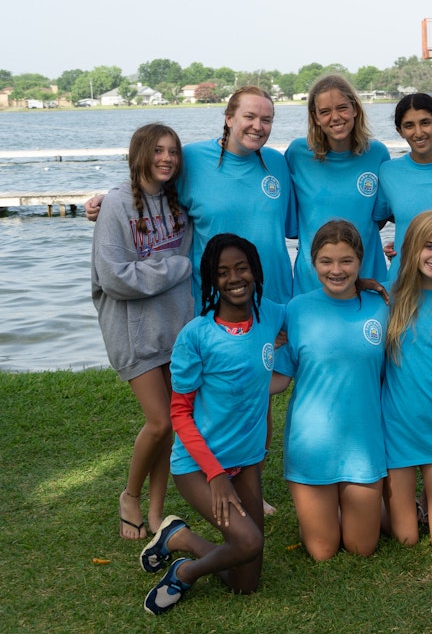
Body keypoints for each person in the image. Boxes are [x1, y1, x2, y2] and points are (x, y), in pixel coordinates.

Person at [140, 234, 284, 615]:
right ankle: (185, 573)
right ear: (211, 280)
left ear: (254, 270)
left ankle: (179, 539)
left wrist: (364, 284)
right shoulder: (196, 336)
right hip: (199, 467)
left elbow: (318, 306)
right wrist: (216, 475)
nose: (234, 278)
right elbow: (180, 413)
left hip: (246, 461)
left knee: (246, 582)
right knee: (249, 543)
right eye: (222, 273)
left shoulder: (269, 315)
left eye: (241, 268)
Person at [86, 87, 296, 308]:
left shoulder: (278, 163)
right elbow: (149, 187)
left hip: (276, 301)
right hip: (215, 305)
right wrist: (110, 199)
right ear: (229, 119)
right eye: (249, 116)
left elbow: (291, 227)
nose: (258, 126)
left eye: (266, 120)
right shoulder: (192, 159)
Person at [90, 123, 193, 540]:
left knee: (171, 421)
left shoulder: (176, 204)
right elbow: (114, 278)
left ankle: (156, 510)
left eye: (173, 152)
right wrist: (173, 267)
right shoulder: (115, 205)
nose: (166, 158)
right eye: (158, 151)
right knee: (159, 423)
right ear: (139, 154)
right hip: (132, 332)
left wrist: (160, 270)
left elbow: (179, 254)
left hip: (173, 326)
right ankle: (129, 496)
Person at [270, 220, 389, 560]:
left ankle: (372, 504)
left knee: (361, 548)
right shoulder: (296, 309)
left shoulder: (381, 306)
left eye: (346, 261)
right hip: (312, 447)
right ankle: (328, 506)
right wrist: (231, 385)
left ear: (360, 261)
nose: (336, 270)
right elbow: (279, 378)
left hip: (362, 446)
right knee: (323, 552)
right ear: (312, 261)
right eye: (326, 261)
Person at [382, 210, 432, 551]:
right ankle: (376, 503)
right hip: (396, 431)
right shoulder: (384, 298)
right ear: (410, 247)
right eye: (429, 247)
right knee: (406, 537)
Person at [286, 75, 390, 295]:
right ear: (315, 117)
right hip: (312, 284)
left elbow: (383, 216)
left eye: (342, 108)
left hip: (368, 278)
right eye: (325, 112)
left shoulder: (377, 154)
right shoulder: (297, 154)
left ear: (355, 109)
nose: (335, 117)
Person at [374, 93, 432, 283]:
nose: (418, 132)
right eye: (409, 125)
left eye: (425, 123)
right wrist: (403, 241)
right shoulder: (388, 172)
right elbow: (381, 220)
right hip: (403, 282)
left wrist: (427, 245)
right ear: (399, 131)